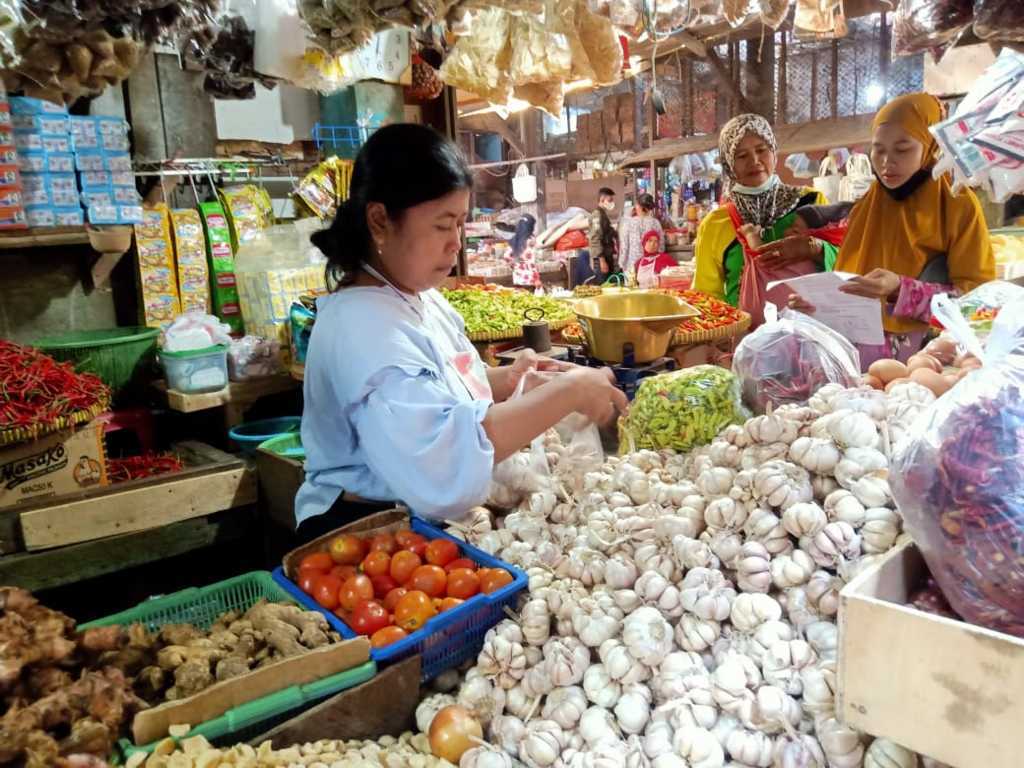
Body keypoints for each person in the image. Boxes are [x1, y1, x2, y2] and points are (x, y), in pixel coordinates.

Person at [295, 124, 627, 541]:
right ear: (380, 220)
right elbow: (441, 458)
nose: (456, 244)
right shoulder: (362, 329)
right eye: (442, 225)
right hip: (363, 535)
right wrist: (571, 392)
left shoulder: (415, 295)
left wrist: (508, 380)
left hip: (412, 521)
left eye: (460, 224)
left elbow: (434, 390)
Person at [783, 93, 995, 367]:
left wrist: (900, 289)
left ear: (930, 146)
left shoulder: (956, 204)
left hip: (926, 360)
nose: (886, 162)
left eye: (902, 149)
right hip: (855, 358)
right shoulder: (869, 206)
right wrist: (817, 304)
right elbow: (850, 280)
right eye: (878, 149)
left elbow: (978, 304)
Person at [693, 114, 837, 308]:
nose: (754, 161)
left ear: (774, 152)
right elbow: (707, 295)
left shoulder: (811, 202)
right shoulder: (716, 223)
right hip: (746, 335)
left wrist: (817, 248)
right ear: (729, 164)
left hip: (807, 329)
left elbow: (846, 260)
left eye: (762, 150)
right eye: (741, 155)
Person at [619, 193, 664, 277]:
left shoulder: (628, 223)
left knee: (633, 289)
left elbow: (624, 247)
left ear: (638, 206)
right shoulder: (655, 223)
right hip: (650, 265)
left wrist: (622, 264)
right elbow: (661, 246)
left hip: (632, 266)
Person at [588, 187, 619, 282]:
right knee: (604, 286)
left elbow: (609, 231)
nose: (612, 203)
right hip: (602, 257)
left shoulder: (603, 215)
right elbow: (595, 239)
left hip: (607, 255)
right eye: (610, 200)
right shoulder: (597, 215)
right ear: (602, 199)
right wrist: (602, 260)